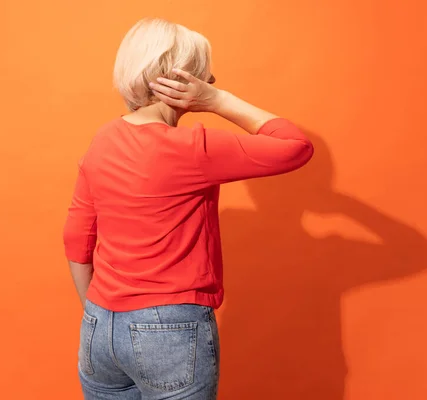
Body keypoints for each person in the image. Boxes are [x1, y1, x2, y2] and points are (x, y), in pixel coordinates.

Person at [62, 17, 314, 400]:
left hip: (99, 325)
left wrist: (100, 315)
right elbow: (296, 146)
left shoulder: (103, 140)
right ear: (185, 82)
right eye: (206, 76)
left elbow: (76, 239)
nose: (210, 82)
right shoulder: (193, 148)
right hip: (169, 329)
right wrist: (218, 101)